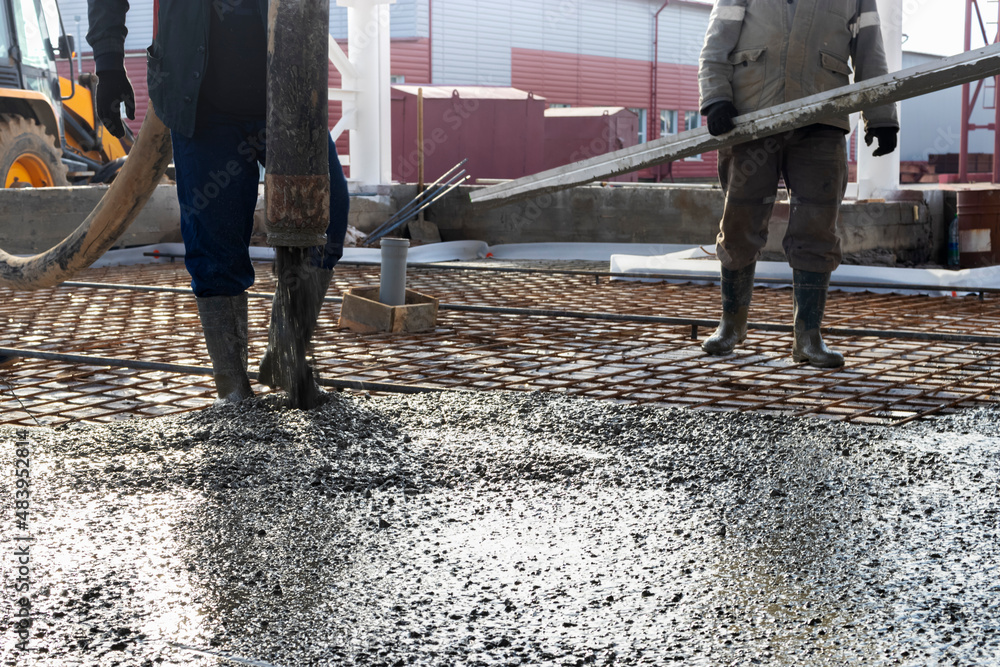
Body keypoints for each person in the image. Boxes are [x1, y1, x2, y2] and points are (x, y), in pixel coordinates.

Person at [87, 0, 350, 402]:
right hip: (202, 104)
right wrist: (107, 61)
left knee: (328, 217)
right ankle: (233, 390)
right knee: (215, 246)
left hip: (290, 91)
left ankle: (285, 355)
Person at [698, 0, 898, 368]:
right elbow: (716, 44)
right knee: (739, 221)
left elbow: (871, 53)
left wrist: (881, 115)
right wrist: (715, 99)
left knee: (817, 227)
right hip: (751, 119)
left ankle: (808, 337)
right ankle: (730, 326)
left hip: (822, 121)